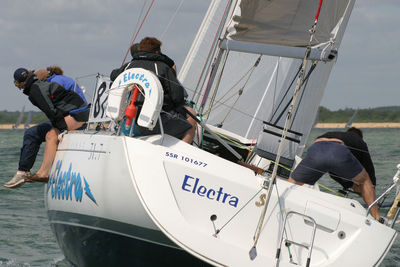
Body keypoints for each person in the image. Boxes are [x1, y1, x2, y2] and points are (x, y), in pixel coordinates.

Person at [4, 66, 87, 189]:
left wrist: (62, 130)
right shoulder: (35, 86)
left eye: (16, 83)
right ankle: (22, 172)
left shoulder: (35, 90)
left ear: (20, 83)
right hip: (66, 114)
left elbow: (51, 111)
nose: (17, 86)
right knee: (31, 133)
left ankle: (43, 173)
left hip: (79, 113)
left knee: (51, 135)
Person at [110, 37, 196, 144]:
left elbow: (113, 75)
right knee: (191, 125)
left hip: (131, 121)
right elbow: (177, 97)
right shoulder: (163, 67)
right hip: (157, 122)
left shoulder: (129, 66)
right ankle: (181, 154)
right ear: (157, 51)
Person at [288, 127, 382, 221]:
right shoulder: (359, 141)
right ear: (360, 136)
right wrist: (368, 191)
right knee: (365, 179)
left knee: (292, 182)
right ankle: (377, 217)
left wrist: (350, 185)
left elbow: (332, 171)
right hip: (337, 150)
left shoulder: (334, 134)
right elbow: (369, 170)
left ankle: (282, 204)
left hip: (316, 147)